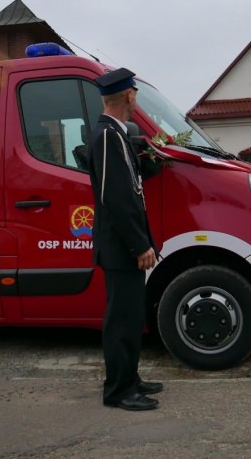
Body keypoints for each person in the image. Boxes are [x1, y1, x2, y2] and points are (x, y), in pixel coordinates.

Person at [88, 67, 163, 411]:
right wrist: (139, 244)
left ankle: (130, 379)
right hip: (121, 248)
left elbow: (132, 180)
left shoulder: (117, 135)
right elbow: (117, 197)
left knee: (132, 317)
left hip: (125, 246)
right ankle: (118, 390)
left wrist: (152, 155)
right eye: (135, 93)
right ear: (129, 96)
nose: (136, 99)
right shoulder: (107, 136)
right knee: (121, 321)